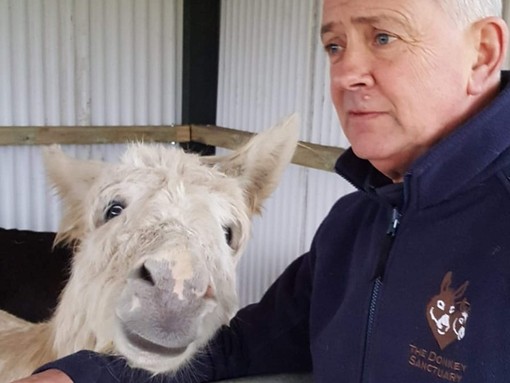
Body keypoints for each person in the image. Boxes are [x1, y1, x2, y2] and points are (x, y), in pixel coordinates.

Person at [12, 0, 510, 381]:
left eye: (383, 37)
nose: (345, 74)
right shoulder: (352, 225)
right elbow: (240, 345)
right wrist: (87, 373)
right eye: (334, 47)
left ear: (482, 53)